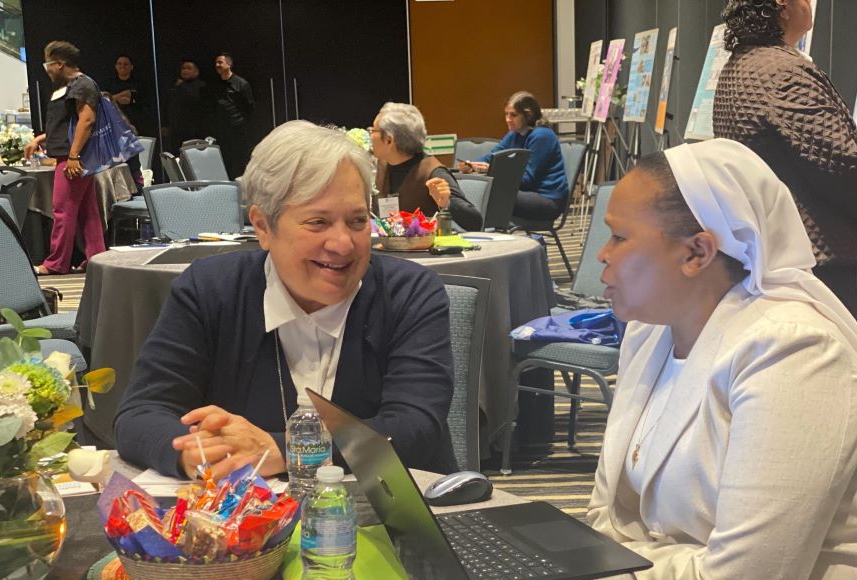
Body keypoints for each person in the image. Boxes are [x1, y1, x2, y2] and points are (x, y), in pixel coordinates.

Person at [588, 139, 857, 580]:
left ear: (697, 252)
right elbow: (607, 515)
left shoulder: (792, 352)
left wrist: (604, 567)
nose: (601, 255)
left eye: (618, 237)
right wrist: (611, 560)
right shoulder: (649, 336)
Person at [115, 120, 460, 481]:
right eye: (318, 222)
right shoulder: (209, 291)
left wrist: (283, 451)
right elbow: (142, 413)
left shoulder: (410, 293)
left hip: (397, 524)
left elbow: (414, 429)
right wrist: (201, 453)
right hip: (247, 530)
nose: (343, 244)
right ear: (263, 226)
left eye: (357, 221)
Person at [713, 0, 857, 319]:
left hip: (767, 248)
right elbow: (840, 160)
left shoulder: (738, 65)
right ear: (782, 6)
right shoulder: (786, 72)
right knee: (829, 359)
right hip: (813, 254)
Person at [24, 41, 106, 275]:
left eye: (47, 64)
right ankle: (96, 258)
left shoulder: (82, 84)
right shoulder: (73, 85)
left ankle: (56, 263)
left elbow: (86, 120)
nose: (46, 70)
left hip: (73, 158)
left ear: (59, 64)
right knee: (86, 211)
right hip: (72, 156)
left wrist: (73, 156)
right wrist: (41, 138)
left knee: (62, 210)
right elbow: (65, 124)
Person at [458, 91, 569, 221]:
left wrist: (491, 170)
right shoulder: (514, 134)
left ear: (528, 115)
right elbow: (492, 157)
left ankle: (482, 231)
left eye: (513, 115)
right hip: (526, 194)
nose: (508, 119)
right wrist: (471, 165)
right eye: (506, 114)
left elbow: (527, 180)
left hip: (548, 199)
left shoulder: (542, 136)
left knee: (489, 194)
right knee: (478, 190)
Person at [371, 102, 482, 231]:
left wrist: (447, 203)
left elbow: (475, 223)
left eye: (373, 130)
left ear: (389, 140)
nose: (370, 135)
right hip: (385, 247)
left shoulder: (433, 172)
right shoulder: (382, 165)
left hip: (423, 249)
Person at [213, 52, 254, 178]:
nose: (217, 65)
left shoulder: (241, 83)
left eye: (220, 62)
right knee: (225, 158)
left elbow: (249, 106)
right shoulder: (215, 84)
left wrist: (242, 121)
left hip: (238, 127)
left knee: (241, 157)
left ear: (229, 64)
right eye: (216, 63)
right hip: (222, 128)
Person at [164, 59, 209, 152]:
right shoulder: (175, 86)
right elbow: (168, 105)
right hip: (175, 131)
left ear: (196, 72)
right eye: (183, 68)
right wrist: (165, 124)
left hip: (194, 131)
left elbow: (196, 101)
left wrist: (183, 86)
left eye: (189, 68)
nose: (185, 71)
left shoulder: (202, 86)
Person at [105, 54, 152, 138]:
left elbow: (147, 102)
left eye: (126, 64)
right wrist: (118, 97)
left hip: (137, 123)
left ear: (131, 67)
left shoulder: (139, 83)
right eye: (119, 64)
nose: (122, 66)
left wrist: (132, 101)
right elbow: (104, 100)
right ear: (116, 66)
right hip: (115, 123)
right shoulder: (109, 83)